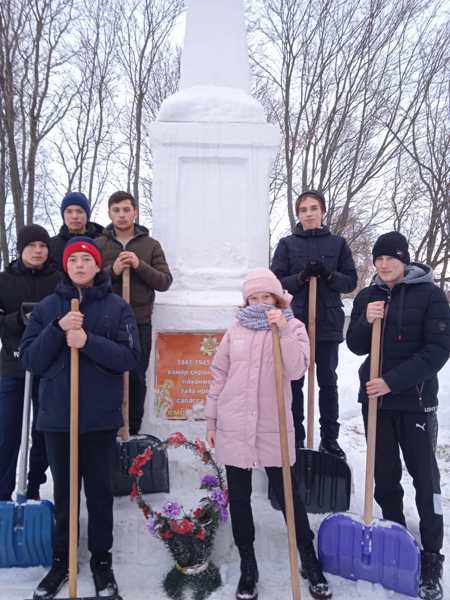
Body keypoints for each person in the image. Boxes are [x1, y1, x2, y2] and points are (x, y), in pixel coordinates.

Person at [21, 237, 140, 600]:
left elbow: (130, 357)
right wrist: (58, 330)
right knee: (65, 493)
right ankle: (62, 560)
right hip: (58, 417)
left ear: (96, 265)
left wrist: (87, 341)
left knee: (101, 495)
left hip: (100, 420)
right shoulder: (47, 307)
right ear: (67, 266)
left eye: (86, 260)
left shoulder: (116, 307)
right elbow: (30, 360)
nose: (80, 265)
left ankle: (101, 561)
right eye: (74, 260)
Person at [205, 268, 332, 600]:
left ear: (278, 298)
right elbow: (219, 375)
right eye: (254, 297)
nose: (260, 303)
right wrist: (211, 421)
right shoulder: (235, 331)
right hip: (234, 424)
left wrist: (284, 330)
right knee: (240, 497)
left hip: (273, 425)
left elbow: (296, 369)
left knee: (289, 496)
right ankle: (249, 564)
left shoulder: (293, 327)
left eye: (266, 297)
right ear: (246, 300)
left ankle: (308, 557)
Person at [346, 231, 450, 600]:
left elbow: (438, 351)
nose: (383, 263)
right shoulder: (369, 296)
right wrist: (365, 321)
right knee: (385, 476)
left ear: (404, 259)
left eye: (390, 257)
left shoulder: (432, 296)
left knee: (426, 480)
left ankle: (433, 554)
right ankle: (398, 537)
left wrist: (391, 381)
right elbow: (356, 345)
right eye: (378, 258)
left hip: (415, 401)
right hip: (376, 402)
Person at [271, 190, 357, 459]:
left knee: (327, 382)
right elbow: (275, 283)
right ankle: (295, 434)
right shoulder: (287, 244)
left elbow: (350, 281)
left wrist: (328, 275)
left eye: (313, 208)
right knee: (294, 381)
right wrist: (301, 277)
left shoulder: (338, 244)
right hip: (295, 323)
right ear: (298, 214)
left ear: (322, 211)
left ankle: (330, 438)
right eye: (304, 209)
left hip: (327, 324)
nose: (308, 213)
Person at [97, 191, 172, 435]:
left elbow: (164, 281)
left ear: (135, 212)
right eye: (116, 210)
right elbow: (91, 282)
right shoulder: (100, 244)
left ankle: (134, 430)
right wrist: (113, 270)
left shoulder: (150, 245)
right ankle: (111, 429)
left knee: (137, 377)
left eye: (126, 210)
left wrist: (139, 265)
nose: (121, 215)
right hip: (107, 322)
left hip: (139, 322)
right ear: (109, 213)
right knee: (108, 374)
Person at [0, 224, 60, 501]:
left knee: (44, 430)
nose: (38, 251)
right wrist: (15, 320)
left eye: (43, 246)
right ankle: (2, 495)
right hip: (13, 368)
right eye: (32, 246)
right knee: (7, 432)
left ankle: (34, 484)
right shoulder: (4, 280)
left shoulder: (58, 280)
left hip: (48, 368)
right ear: (21, 249)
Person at [49, 191, 103, 270]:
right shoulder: (51, 245)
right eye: (69, 211)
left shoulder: (101, 242)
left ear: (87, 215)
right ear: (63, 215)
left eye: (79, 211)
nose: (74, 216)